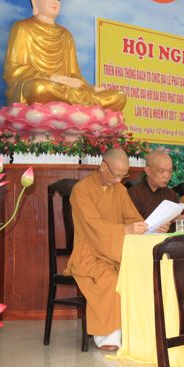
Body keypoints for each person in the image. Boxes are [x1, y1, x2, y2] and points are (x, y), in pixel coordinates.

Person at [64, 148, 148, 351]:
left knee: (142, 274)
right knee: (110, 278)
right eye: (116, 175)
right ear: (103, 166)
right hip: (89, 253)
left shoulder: (120, 190)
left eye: (123, 176)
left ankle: (136, 333)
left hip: (116, 252)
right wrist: (124, 230)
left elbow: (132, 218)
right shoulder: (81, 190)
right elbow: (92, 224)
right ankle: (107, 336)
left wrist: (148, 226)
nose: (119, 180)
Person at [3, 0, 126, 111]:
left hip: (65, 89)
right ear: (35, 0)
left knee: (119, 96)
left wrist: (83, 86)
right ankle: (82, 105)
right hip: (45, 86)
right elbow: (15, 69)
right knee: (37, 88)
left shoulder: (66, 35)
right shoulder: (22, 27)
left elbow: (74, 74)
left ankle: (72, 102)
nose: (55, 2)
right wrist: (54, 78)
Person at [128, 151, 181, 233]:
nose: (167, 176)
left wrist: (168, 228)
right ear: (148, 170)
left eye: (170, 171)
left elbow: (176, 227)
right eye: (161, 171)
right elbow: (131, 224)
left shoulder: (171, 194)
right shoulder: (134, 193)